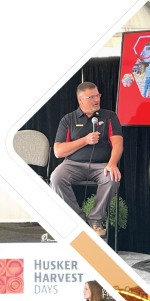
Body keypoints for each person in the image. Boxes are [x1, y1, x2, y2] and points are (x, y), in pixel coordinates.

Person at [50, 82, 123, 237]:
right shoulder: (68, 119)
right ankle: (78, 220)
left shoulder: (109, 116)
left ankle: (95, 220)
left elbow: (118, 144)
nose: (96, 99)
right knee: (56, 178)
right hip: (72, 164)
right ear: (80, 99)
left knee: (112, 178)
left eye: (98, 95)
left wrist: (112, 164)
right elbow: (58, 151)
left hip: (102, 165)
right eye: (91, 97)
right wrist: (85, 140)